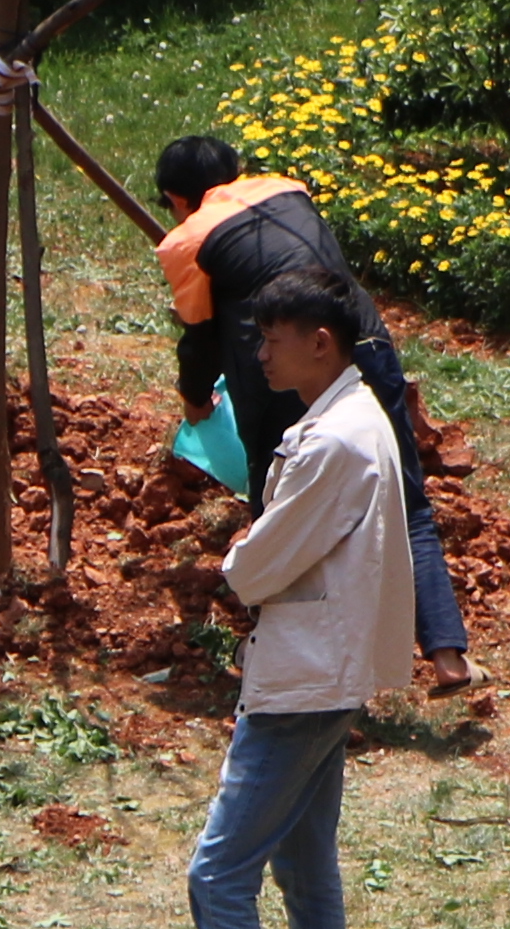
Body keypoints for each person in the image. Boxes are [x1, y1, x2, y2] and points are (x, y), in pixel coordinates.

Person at [160, 273, 419, 929]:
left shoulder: (332, 442)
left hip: (304, 676)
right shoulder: (354, 420)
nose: (259, 352)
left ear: (322, 341)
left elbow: (260, 565)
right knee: (304, 862)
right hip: (329, 671)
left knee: (218, 873)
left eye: (273, 338)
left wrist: (228, 567)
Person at [149, 132, 471, 686]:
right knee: (406, 498)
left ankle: (271, 655)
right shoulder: (286, 189)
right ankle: (447, 655)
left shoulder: (187, 240)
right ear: (239, 169)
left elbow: (198, 340)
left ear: (176, 199)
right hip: (364, 340)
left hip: (288, 369)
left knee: (277, 502)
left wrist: (196, 401)